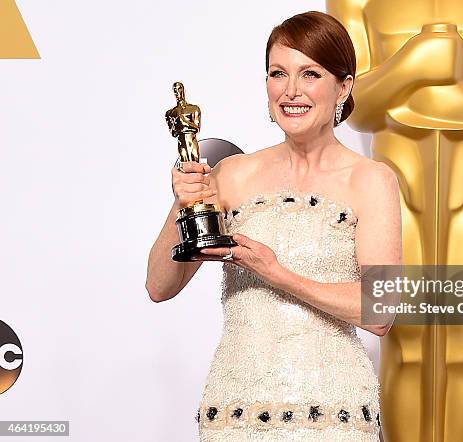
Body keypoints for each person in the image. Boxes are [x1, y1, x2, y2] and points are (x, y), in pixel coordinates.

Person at [145, 10, 402, 442]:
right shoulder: (231, 174)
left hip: (332, 414)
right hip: (236, 413)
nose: (291, 91)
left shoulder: (371, 180)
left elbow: (379, 313)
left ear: (344, 86)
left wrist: (274, 271)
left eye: (310, 74)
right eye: (278, 73)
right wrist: (182, 201)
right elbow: (159, 286)